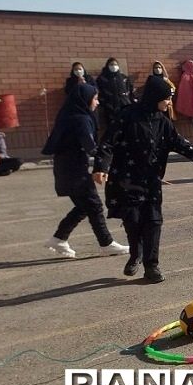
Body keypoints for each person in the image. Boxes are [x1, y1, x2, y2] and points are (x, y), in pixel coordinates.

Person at [93, 76, 193, 283]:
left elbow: (181, 144)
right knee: (133, 220)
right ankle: (136, 254)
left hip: (151, 180)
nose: (169, 103)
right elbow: (108, 142)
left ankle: (151, 265)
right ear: (154, 97)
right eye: (166, 99)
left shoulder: (163, 122)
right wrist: (101, 166)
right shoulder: (127, 115)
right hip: (126, 179)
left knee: (153, 221)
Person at [40, 81, 127, 258]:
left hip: (67, 168)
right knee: (93, 205)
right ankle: (106, 243)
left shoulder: (69, 114)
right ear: (85, 99)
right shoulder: (81, 119)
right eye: (95, 99)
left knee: (83, 206)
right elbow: (91, 147)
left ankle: (59, 238)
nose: (97, 102)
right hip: (74, 171)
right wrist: (112, 158)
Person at [94, 57, 134, 131]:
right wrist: (105, 103)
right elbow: (99, 92)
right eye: (111, 64)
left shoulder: (123, 78)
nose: (114, 66)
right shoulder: (102, 78)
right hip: (110, 108)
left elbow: (130, 91)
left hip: (124, 107)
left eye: (115, 64)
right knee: (112, 130)